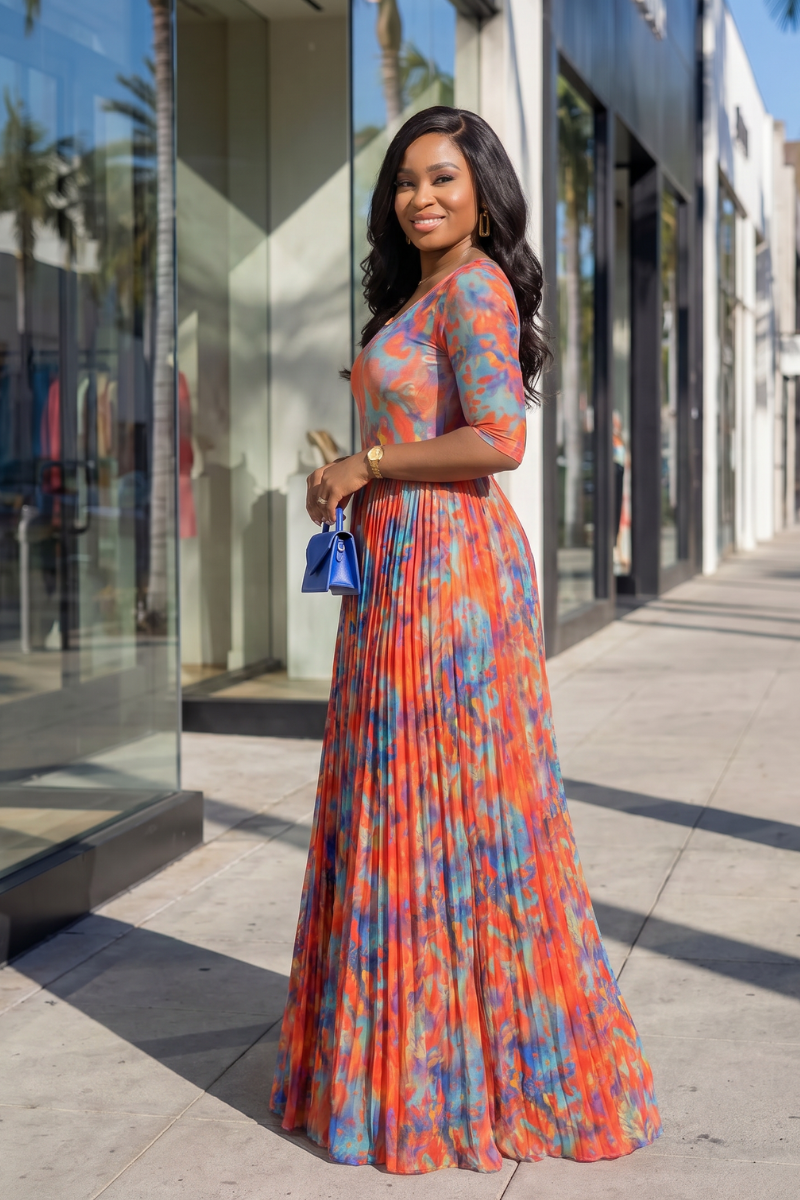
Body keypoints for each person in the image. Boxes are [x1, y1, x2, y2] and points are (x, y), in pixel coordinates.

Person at [270, 106, 660, 1174]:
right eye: (403, 181)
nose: (418, 196)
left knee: (448, 810)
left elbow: (497, 437)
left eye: (441, 176)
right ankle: (412, 1065)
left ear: (482, 188)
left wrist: (372, 467)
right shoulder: (421, 290)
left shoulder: (477, 285)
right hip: (401, 563)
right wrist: (348, 476)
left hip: (448, 578)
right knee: (406, 809)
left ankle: (460, 1078)